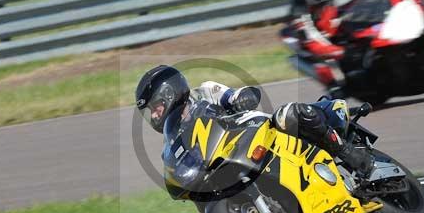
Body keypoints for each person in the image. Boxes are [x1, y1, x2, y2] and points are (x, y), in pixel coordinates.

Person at [135, 65, 373, 179]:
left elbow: (232, 96)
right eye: (150, 113)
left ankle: (348, 153)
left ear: (168, 93)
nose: (154, 116)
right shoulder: (174, 142)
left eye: (155, 107)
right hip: (230, 163)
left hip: (258, 135)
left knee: (290, 114)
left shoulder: (205, 92)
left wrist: (241, 98)